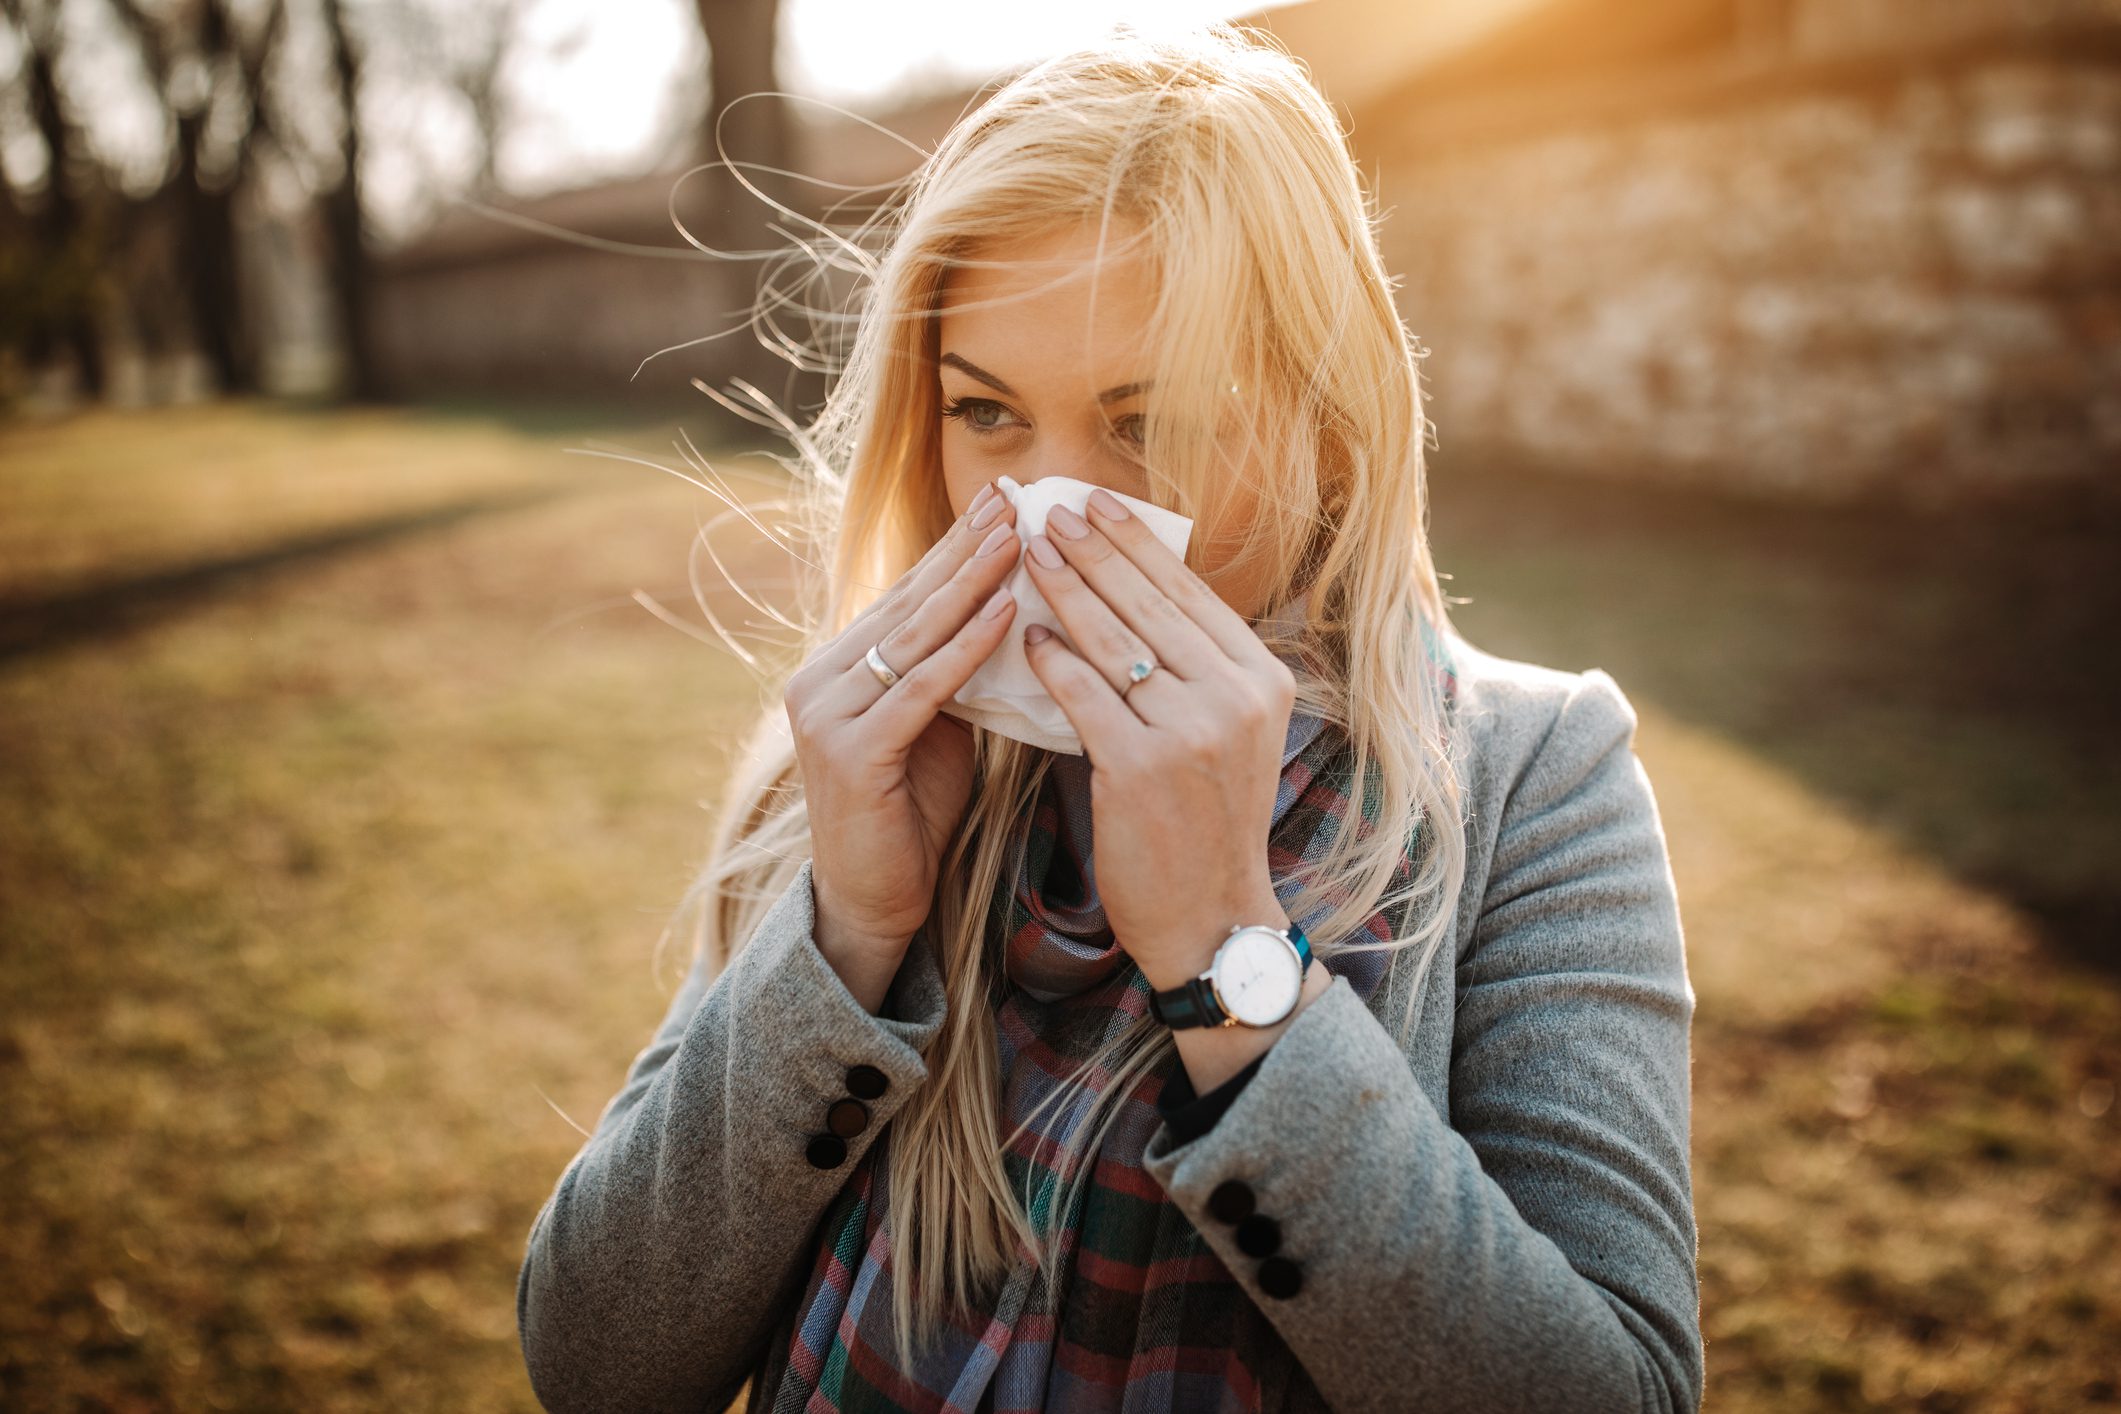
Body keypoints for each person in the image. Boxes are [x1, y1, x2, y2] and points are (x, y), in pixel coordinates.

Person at [516, 21, 1701, 1414]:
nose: (1052, 520)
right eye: (988, 415)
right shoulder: (860, 766)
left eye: (1148, 420)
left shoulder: (1530, 785)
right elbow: (592, 1357)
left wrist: (1224, 954)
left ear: (1328, 420)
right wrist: (842, 939)